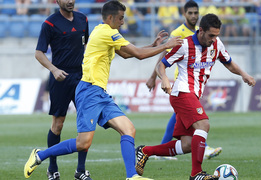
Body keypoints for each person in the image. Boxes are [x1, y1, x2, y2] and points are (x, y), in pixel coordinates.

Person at [24, 1, 183, 180]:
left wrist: (153, 45)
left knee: (128, 129)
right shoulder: (107, 32)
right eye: (121, 18)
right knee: (83, 143)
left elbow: (127, 53)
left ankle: (132, 176)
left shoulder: (104, 31)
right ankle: (40, 155)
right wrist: (165, 46)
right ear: (110, 18)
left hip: (99, 93)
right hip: (89, 91)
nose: (123, 22)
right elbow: (137, 54)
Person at [136, 13, 256, 180]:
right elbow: (161, 66)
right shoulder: (185, 45)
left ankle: (145, 151)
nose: (214, 39)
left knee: (186, 145)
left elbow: (229, 63)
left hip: (192, 96)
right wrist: (163, 79)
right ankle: (196, 174)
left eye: (216, 35)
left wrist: (244, 74)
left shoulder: (216, 44)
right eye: (211, 35)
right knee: (204, 125)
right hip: (182, 93)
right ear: (201, 31)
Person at [146, 0, 222, 161]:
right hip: (181, 81)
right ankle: (203, 147)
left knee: (180, 118)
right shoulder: (178, 33)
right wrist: (154, 76)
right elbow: (164, 55)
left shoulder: (202, 31)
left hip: (195, 84)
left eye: (196, 13)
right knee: (199, 122)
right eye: (190, 13)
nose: (193, 16)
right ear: (184, 14)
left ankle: (157, 149)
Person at [31, 0, 90, 179]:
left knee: (86, 124)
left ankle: (80, 170)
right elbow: (39, 53)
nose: (70, 1)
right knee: (58, 124)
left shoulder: (83, 19)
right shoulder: (49, 23)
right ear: (57, 1)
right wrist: (54, 69)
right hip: (60, 77)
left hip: (81, 77)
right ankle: (52, 168)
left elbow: (86, 45)